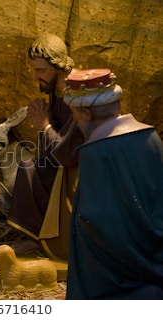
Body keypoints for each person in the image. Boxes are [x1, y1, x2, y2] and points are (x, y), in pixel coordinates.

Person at [64, 69, 163, 299]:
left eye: (75, 115)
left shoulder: (95, 152)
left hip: (113, 282)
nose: (76, 122)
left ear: (86, 113)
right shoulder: (151, 136)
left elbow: (95, 222)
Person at [6, 33, 85, 259]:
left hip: (80, 172)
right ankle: (34, 237)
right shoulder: (56, 88)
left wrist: (44, 125)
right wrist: (47, 118)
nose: (35, 76)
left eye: (40, 71)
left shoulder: (76, 95)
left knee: (33, 168)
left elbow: (68, 153)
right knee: (28, 167)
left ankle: (50, 241)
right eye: (34, 70)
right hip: (64, 164)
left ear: (58, 67)